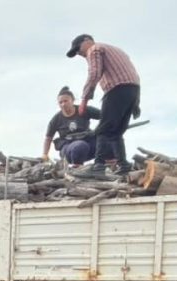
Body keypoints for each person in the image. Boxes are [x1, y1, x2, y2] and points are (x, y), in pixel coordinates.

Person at [67, 34, 141, 178]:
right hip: (132, 91)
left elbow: (94, 73)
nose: (79, 53)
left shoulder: (94, 49)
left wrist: (84, 100)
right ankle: (124, 165)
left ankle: (98, 166)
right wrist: (136, 101)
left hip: (116, 90)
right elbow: (134, 76)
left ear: (87, 41)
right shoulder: (117, 51)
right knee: (116, 132)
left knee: (102, 130)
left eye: (78, 48)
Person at [42, 86, 101, 166]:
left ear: (72, 100)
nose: (63, 104)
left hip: (88, 144)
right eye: (60, 102)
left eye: (66, 101)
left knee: (106, 140)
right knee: (80, 146)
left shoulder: (83, 109)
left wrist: (99, 129)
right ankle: (77, 167)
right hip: (68, 148)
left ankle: (104, 164)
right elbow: (48, 138)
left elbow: (105, 116)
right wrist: (45, 154)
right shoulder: (56, 119)